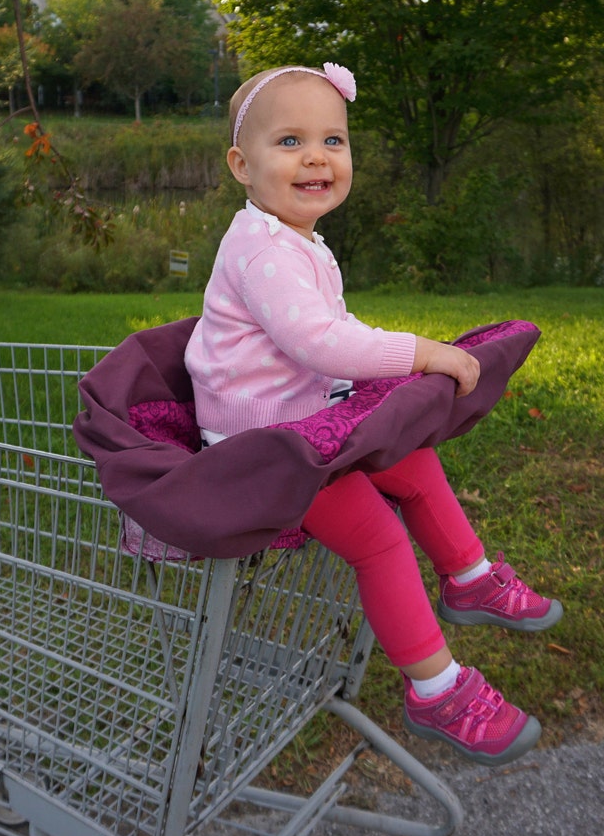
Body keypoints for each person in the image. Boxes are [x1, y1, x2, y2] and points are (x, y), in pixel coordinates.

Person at [183, 63, 562, 767]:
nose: (316, 158)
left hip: (300, 418)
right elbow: (318, 341)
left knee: (412, 458)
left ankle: (469, 575)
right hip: (263, 447)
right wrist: (420, 352)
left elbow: (332, 329)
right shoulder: (261, 250)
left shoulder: (297, 240)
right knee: (377, 536)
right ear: (241, 165)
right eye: (290, 141)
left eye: (333, 140)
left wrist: (392, 363)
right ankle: (437, 690)